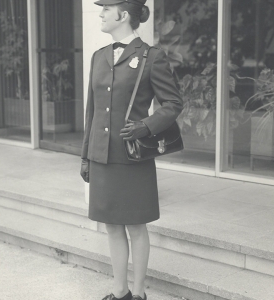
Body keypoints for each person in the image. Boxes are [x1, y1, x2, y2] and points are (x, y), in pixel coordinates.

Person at [80, 1, 183, 299]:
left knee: (136, 228)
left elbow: (173, 103)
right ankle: (120, 292)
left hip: (132, 156)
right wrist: (86, 155)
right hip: (101, 156)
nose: (100, 14)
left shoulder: (152, 57)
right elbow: (92, 112)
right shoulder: (98, 57)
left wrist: (146, 126)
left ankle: (139, 295)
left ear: (123, 15)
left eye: (106, 9)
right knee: (112, 227)